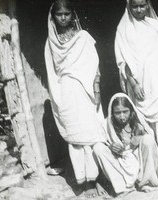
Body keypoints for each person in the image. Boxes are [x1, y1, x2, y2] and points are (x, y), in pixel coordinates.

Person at [44, 0, 106, 197]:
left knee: (93, 132)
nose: (63, 18)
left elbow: (95, 65)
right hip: (68, 92)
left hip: (86, 89)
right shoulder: (51, 44)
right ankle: (85, 182)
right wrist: (58, 98)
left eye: (67, 14)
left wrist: (96, 89)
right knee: (77, 137)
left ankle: (97, 178)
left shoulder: (83, 37)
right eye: (59, 14)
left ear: (73, 15)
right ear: (53, 17)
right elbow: (52, 73)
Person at [114, 0, 158, 172]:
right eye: (135, 6)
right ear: (129, 6)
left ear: (147, 5)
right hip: (140, 84)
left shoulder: (155, 24)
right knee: (145, 122)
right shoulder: (123, 29)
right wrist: (133, 83)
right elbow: (123, 61)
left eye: (142, 5)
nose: (139, 9)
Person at [93, 93, 158, 196]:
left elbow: (149, 137)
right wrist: (110, 147)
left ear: (131, 110)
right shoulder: (106, 125)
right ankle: (121, 186)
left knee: (148, 139)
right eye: (117, 113)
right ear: (111, 112)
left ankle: (147, 182)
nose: (122, 116)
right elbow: (102, 142)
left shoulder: (137, 122)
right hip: (119, 161)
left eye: (125, 112)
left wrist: (137, 139)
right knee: (98, 148)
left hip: (137, 159)